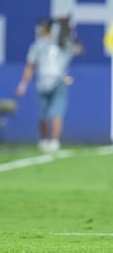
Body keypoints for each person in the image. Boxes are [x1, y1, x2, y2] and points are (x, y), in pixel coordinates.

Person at [16, 17, 83, 152]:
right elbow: (79, 48)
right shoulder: (54, 43)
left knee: (52, 113)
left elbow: (30, 66)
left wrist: (23, 85)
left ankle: (50, 141)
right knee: (46, 114)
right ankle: (50, 141)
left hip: (53, 80)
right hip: (48, 80)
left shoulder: (51, 44)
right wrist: (69, 31)